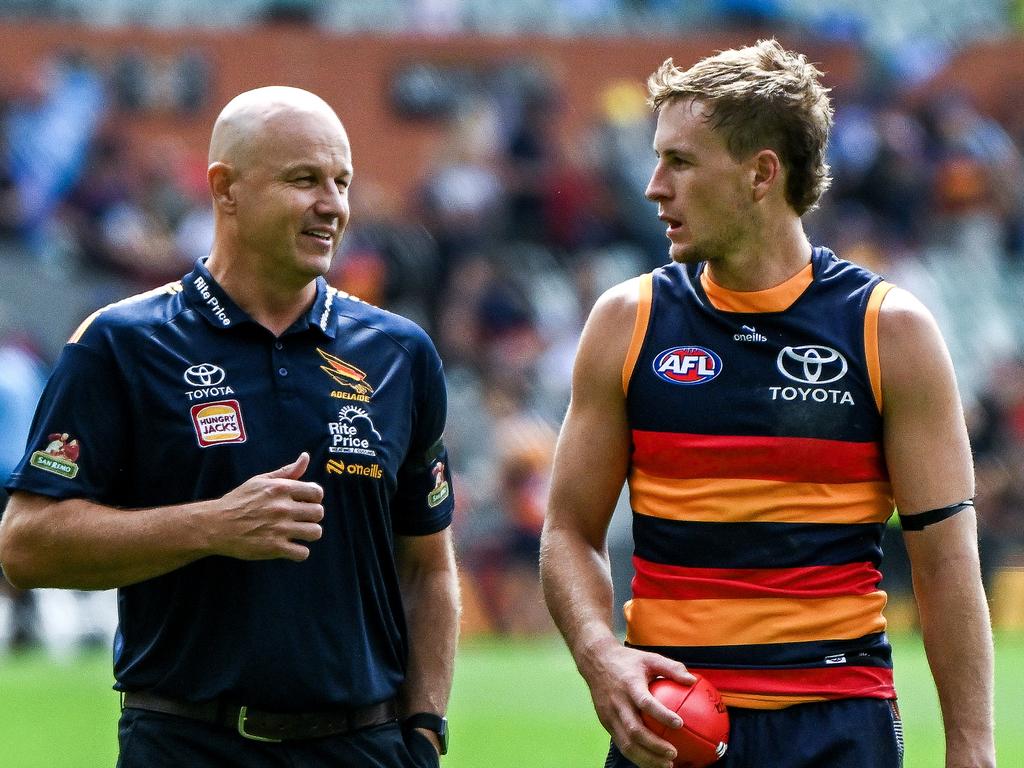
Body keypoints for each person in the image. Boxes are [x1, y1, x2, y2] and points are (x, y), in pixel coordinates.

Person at [540, 40, 995, 768]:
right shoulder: (626, 322)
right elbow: (567, 529)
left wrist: (972, 748)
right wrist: (602, 659)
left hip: (838, 729)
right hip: (670, 726)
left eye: (681, 162)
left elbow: (944, 561)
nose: (654, 186)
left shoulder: (890, 332)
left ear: (760, 174)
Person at [0, 86, 459, 768]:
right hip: (188, 742)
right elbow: (26, 545)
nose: (332, 204)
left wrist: (424, 730)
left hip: (362, 748)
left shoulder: (398, 353)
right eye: (304, 180)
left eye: (342, 181)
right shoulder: (122, 343)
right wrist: (213, 526)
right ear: (226, 189)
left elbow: (427, 567)